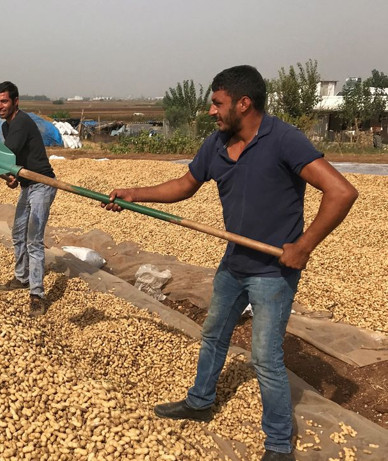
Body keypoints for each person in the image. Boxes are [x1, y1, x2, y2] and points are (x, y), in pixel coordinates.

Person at [103, 65, 358, 460]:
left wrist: (304, 246)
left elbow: (341, 191)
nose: (211, 111)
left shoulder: (284, 140)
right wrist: (134, 194)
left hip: (273, 272)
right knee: (214, 334)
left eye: (217, 103)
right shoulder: (216, 144)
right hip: (233, 263)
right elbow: (184, 185)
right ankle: (200, 402)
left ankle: (277, 444)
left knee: (265, 359)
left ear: (244, 103)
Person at [0, 81, 57, 318]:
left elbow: (4, 156)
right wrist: (13, 177)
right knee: (18, 233)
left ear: (15, 101)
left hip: (43, 184)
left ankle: (37, 294)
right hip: (28, 184)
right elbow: (15, 162)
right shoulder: (8, 126)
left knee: (33, 240)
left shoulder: (20, 123)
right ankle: (22, 278)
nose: (0, 106)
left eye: (5, 101)